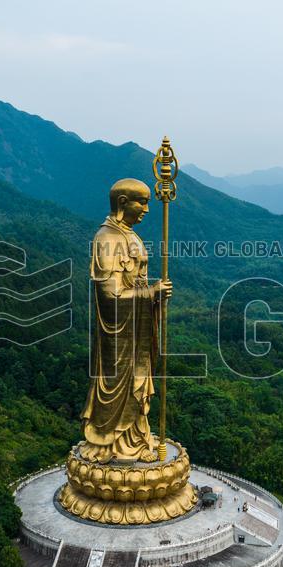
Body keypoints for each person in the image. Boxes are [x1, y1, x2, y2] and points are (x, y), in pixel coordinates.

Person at [79, 178, 172, 463]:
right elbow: (110, 296)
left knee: (137, 383)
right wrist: (151, 292)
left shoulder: (129, 234)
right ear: (122, 203)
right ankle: (108, 441)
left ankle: (134, 436)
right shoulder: (106, 239)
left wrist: (152, 295)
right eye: (141, 202)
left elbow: (134, 282)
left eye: (147, 202)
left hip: (136, 330)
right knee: (117, 383)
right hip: (117, 334)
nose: (146, 209)